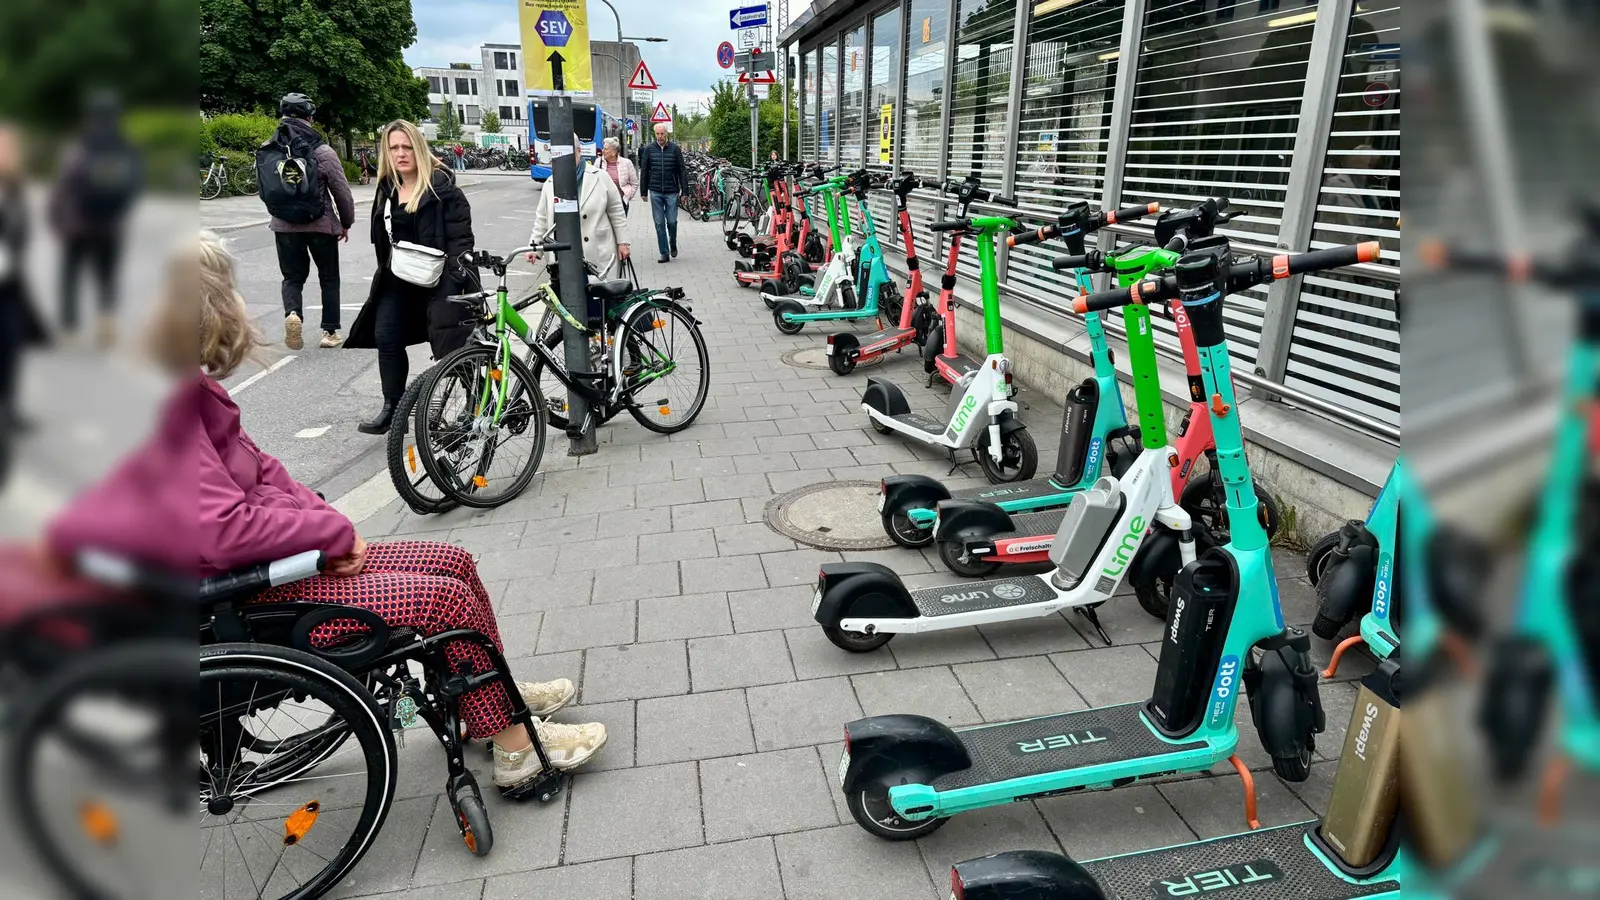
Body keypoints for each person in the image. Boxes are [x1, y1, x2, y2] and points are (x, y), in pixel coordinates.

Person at [37, 231, 607, 788]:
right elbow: (220, 529)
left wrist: (325, 527)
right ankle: (513, 747)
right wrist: (325, 539)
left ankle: (489, 696)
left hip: (271, 573)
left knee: (450, 560)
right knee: (441, 598)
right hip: (246, 602)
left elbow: (262, 470)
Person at [344, 120, 475, 435]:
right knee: (386, 337)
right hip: (397, 280)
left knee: (452, 348)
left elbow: (461, 241)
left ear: (418, 148)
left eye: (406, 147)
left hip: (441, 279)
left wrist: (456, 278)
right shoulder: (387, 189)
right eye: (393, 148)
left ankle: (475, 404)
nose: (400, 154)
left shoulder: (443, 189)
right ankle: (393, 409)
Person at [48, 91, 141, 348]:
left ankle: (69, 330)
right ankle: (106, 322)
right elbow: (134, 186)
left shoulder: (80, 146)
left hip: (78, 224)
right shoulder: (126, 146)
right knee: (107, 275)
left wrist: (55, 218)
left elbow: (64, 185)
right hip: (110, 225)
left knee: (70, 275)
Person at [268, 93, 355, 352]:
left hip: (283, 225)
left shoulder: (269, 147)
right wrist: (346, 222)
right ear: (310, 117)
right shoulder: (322, 150)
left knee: (292, 277)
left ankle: (293, 314)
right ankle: (330, 331)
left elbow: (267, 188)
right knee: (328, 278)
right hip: (320, 224)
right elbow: (341, 191)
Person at [0, 123, 47, 442]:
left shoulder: (14, 187)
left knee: (11, 346)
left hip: (10, 285)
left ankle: (9, 410)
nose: (13, 155)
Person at [528, 137, 630, 279]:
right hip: (562, 256)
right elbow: (542, 219)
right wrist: (534, 248)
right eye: (558, 156)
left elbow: (617, 212)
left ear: (579, 151)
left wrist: (623, 243)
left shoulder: (600, 177)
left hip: (596, 250)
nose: (564, 161)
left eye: (569, 155)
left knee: (599, 297)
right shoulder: (550, 183)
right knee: (566, 296)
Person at [638, 123, 687, 263]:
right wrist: (643, 191)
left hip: (672, 191)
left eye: (662, 134)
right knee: (659, 223)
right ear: (655, 135)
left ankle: (672, 242)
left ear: (667, 134)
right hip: (655, 191)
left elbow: (682, 171)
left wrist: (685, 191)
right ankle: (664, 252)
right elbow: (644, 171)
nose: (660, 137)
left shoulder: (675, 149)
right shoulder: (649, 149)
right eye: (658, 134)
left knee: (672, 222)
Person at [599, 137, 638, 215]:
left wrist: (628, 197)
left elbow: (634, 183)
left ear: (614, 152)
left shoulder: (627, 163)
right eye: (603, 148)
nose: (603, 151)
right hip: (602, 202)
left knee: (620, 226)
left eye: (606, 149)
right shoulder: (598, 162)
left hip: (620, 203)